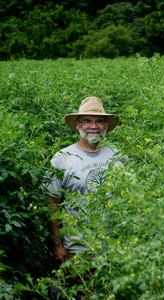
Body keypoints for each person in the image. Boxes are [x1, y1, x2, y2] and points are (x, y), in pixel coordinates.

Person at [45, 96, 122, 263]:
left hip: (115, 250)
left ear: (106, 126)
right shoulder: (62, 158)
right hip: (78, 251)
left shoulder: (118, 156)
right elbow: (52, 203)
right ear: (78, 125)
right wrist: (58, 245)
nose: (93, 126)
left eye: (99, 121)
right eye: (87, 121)